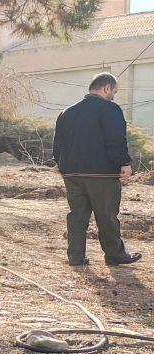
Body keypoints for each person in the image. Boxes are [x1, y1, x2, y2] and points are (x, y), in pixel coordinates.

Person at [53, 72, 141, 266]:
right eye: (114, 92)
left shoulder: (66, 112)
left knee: (77, 216)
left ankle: (75, 257)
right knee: (107, 215)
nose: (114, 96)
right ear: (106, 88)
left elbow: (57, 145)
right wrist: (124, 163)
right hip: (102, 174)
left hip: (72, 174)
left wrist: (63, 167)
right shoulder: (110, 109)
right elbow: (116, 140)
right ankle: (114, 254)